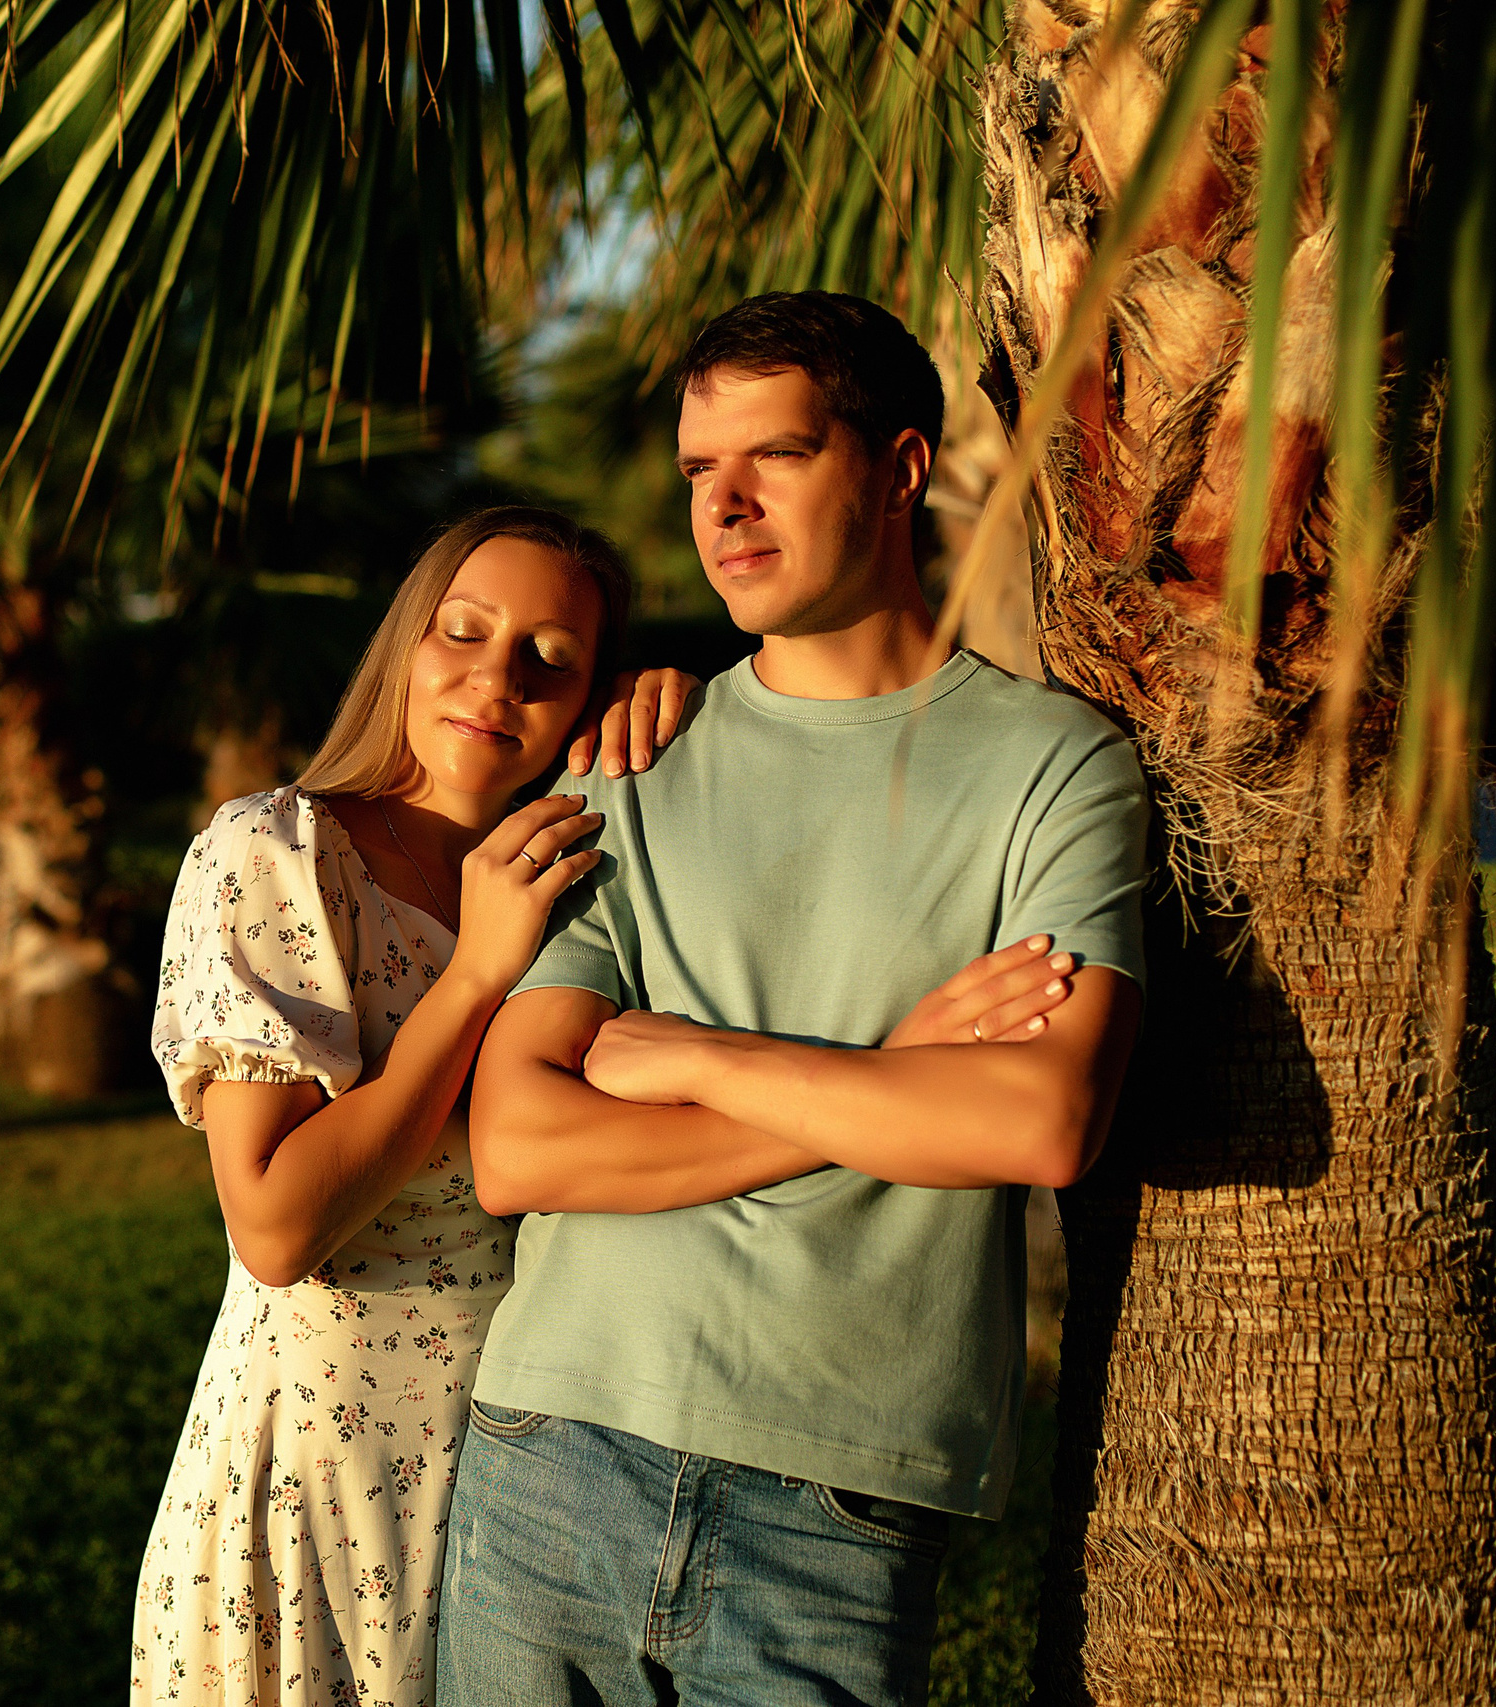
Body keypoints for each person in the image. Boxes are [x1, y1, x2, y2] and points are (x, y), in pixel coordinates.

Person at [132, 502, 1081, 1706]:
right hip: (320, 1475)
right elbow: (274, 1226)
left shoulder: (580, 861)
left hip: (515, 1465)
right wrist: (478, 972)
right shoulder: (280, 852)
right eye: (460, 632)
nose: (495, 679)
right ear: (402, 647)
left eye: (552, 657)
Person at [441, 292, 1151, 1707]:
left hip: (839, 1499)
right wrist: (892, 1076)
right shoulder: (628, 765)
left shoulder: (1060, 768)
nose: (727, 506)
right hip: (554, 1443)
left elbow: (1044, 1114)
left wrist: (687, 1053)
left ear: (895, 469)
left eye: (776, 455)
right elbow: (520, 1144)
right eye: (703, 469)